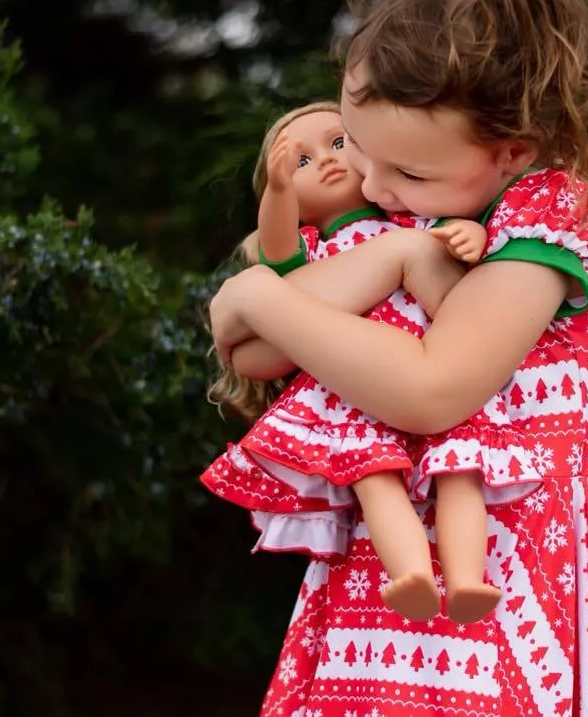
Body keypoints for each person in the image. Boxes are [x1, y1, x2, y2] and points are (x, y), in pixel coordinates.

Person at [209, 0, 588, 716]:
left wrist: (268, 291)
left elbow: (434, 387)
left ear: (512, 149)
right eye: (362, 155)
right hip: (385, 590)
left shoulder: (548, 218)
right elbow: (249, 339)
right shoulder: (414, 215)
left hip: (503, 594)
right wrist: (260, 296)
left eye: (407, 173)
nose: (374, 186)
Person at [202, 101, 512, 624]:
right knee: (374, 477)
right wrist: (279, 190)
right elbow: (275, 250)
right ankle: (410, 574)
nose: (325, 160)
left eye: (339, 142)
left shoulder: (412, 218)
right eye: (301, 161)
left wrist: (473, 236)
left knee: (461, 469)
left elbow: (465, 255)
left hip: (437, 365)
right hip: (358, 386)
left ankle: (466, 581)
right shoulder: (307, 252)